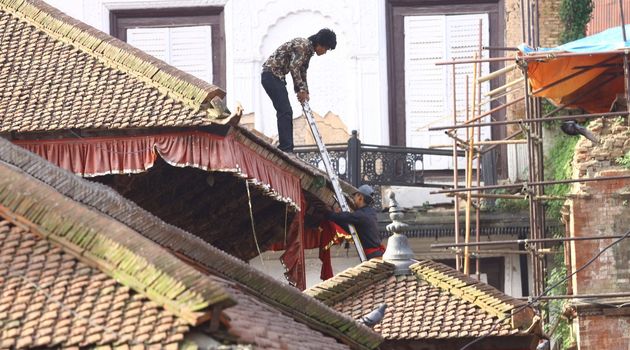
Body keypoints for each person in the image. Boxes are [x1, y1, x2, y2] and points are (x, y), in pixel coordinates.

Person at [261, 28, 337, 153]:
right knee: (285, 111)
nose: (325, 52)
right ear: (320, 44)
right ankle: (286, 148)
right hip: (271, 75)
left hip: (276, 77)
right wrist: (300, 90)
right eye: (326, 49)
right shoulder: (303, 45)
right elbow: (294, 67)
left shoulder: (308, 50)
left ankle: (287, 147)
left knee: (285, 111)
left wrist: (305, 91)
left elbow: (302, 72)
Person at [325, 184, 385, 260]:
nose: (353, 199)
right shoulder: (370, 212)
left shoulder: (361, 215)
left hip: (373, 256)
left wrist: (328, 213)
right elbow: (350, 228)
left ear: (360, 197)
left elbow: (346, 216)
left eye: (355, 196)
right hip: (376, 254)